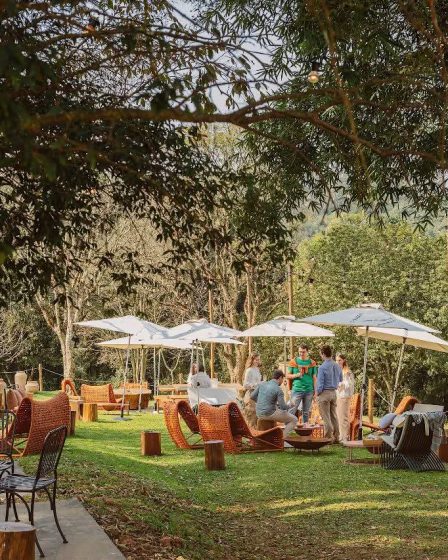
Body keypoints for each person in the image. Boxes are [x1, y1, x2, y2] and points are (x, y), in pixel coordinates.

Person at [251, 369, 297, 438]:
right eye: (282, 379)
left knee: (277, 409)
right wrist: (291, 405)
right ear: (280, 378)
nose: (282, 381)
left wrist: (261, 402)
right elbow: (283, 407)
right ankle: (282, 438)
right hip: (269, 414)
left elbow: (252, 396)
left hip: (259, 413)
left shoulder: (262, 384)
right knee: (294, 419)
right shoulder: (278, 389)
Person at [316, 345, 342, 442]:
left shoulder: (322, 367)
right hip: (334, 393)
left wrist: (317, 394)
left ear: (323, 354)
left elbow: (320, 385)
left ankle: (328, 437)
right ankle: (336, 437)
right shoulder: (337, 365)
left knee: (326, 417)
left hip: (324, 393)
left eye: (321, 354)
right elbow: (341, 379)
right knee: (334, 416)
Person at [287, 344, 318, 424]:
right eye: (300, 352)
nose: (301, 354)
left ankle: (305, 428)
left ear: (307, 352)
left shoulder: (312, 363)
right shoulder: (293, 362)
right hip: (297, 390)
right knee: (292, 410)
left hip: (309, 390)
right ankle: (287, 429)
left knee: (306, 412)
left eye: (303, 352)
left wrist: (316, 392)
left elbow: (314, 378)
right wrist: (297, 375)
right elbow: (288, 376)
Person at [336, 353, 355, 442]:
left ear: (343, 360)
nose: (338, 362)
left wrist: (340, 385)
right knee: (339, 417)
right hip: (338, 396)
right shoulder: (337, 370)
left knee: (343, 418)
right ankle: (340, 436)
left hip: (344, 397)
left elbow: (349, 384)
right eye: (336, 360)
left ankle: (345, 437)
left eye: (339, 360)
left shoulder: (347, 371)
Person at [242, 353, 262, 428]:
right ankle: (251, 433)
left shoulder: (257, 369)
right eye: (256, 360)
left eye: (258, 359)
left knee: (257, 417)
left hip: (258, 395)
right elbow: (245, 384)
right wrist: (255, 385)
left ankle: (257, 433)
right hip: (251, 395)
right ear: (252, 360)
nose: (258, 361)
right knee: (251, 418)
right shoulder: (249, 370)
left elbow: (258, 382)